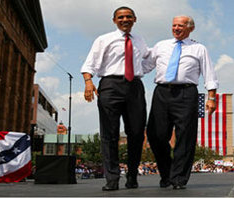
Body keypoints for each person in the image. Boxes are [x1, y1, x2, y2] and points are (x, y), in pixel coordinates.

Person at [143, 15, 218, 190]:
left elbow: (209, 74)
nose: (176, 28)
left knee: (185, 137)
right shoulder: (161, 45)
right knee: (155, 135)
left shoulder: (199, 48)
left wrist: (212, 98)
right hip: (161, 92)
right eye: (174, 25)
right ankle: (167, 171)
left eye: (181, 25)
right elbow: (145, 66)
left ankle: (178, 178)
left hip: (187, 93)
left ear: (190, 28)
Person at [80, 6, 148, 191]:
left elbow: (148, 59)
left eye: (128, 16)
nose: (124, 19)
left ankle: (132, 175)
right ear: (114, 20)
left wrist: (141, 72)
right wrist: (88, 82)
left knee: (136, 133)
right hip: (110, 86)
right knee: (109, 134)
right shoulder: (104, 39)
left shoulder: (140, 41)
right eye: (120, 17)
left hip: (134, 87)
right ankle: (112, 178)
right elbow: (89, 64)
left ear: (135, 19)